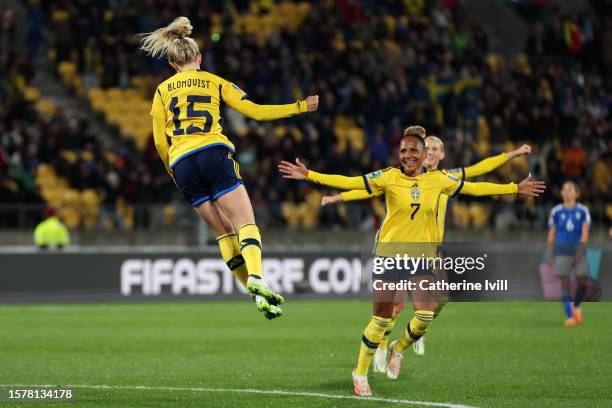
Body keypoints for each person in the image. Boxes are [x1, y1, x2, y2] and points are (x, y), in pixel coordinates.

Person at [279, 127, 545, 396]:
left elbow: (475, 188)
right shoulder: (389, 176)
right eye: (403, 150)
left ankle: (398, 348)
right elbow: (353, 182)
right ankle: (359, 372)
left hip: (421, 256)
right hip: (389, 256)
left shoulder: (440, 180)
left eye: (413, 150)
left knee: (426, 314)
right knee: (381, 320)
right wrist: (310, 175)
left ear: (424, 154)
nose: (407, 155)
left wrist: (514, 188)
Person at [139, 17, 318, 319]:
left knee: (223, 235)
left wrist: (173, 171)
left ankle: (256, 297)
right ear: (199, 58)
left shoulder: (161, 91)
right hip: (212, 154)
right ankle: (258, 279)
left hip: (182, 165)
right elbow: (256, 112)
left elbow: (159, 142)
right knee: (245, 223)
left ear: (171, 65)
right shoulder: (215, 82)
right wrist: (298, 106)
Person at [321, 132, 532, 368]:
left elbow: (479, 172)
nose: (429, 152)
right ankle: (383, 341)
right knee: (395, 306)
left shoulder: (446, 178)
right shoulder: (398, 177)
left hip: (432, 251)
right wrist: (339, 197)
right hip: (400, 249)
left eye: (434, 149)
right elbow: (365, 187)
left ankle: (410, 339)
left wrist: (512, 157)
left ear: (439, 155)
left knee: (439, 300)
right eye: (427, 148)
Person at [547, 181, 591, 327]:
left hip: (578, 249)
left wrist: (580, 250)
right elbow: (552, 234)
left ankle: (576, 306)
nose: (566, 192)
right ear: (561, 193)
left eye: (570, 189)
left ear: (576, 193)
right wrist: (549, 253)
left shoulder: (583, 211)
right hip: (562, 249)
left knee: (583, 281)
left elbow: (585, 233)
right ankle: (570, 315)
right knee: (564, 283)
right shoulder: (556, 211)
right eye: (564, 190)